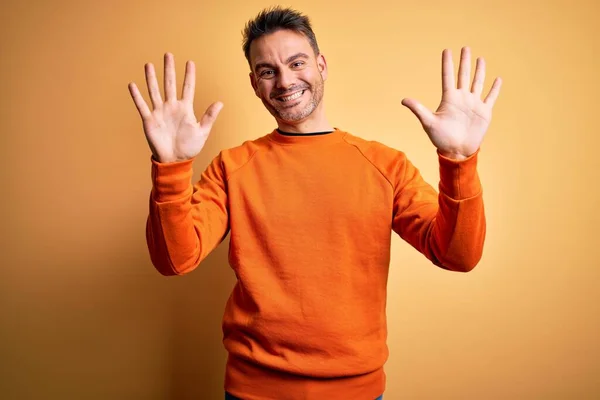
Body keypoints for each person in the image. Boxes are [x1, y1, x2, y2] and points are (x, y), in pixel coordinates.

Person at [128, 6, 501, 400]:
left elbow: (458, 255)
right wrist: (171, 166)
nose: (285, 80)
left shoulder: (384, 165)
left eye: (297, 62)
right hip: (252, 392)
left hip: (357, 392)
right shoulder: (232, 167)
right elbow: (174, 260)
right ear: (255, 84)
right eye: (268, 71)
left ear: (321, 65)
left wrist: (459, 161)